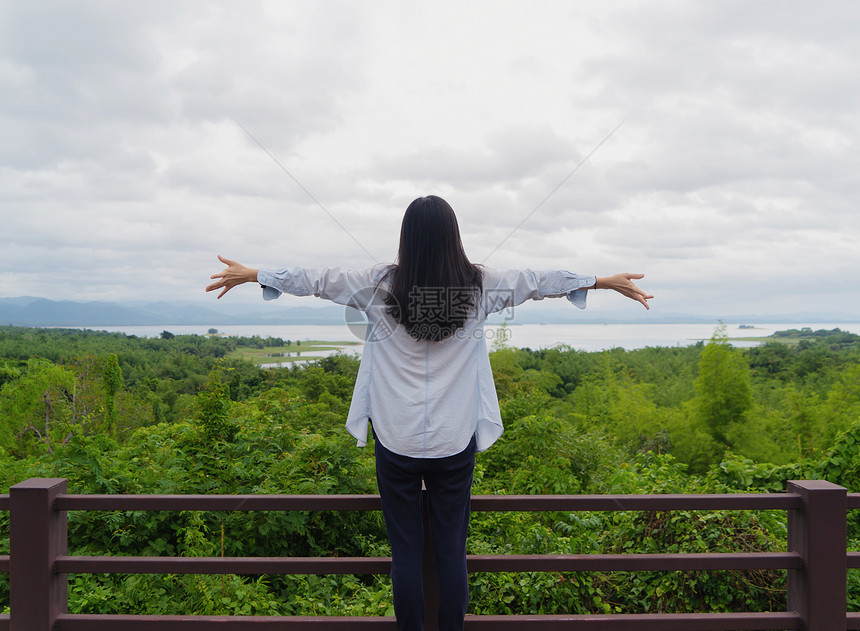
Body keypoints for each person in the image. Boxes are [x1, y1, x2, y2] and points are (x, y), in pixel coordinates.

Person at [206, 195, 651, 631]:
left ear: (406, 238)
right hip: (453, 441)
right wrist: (600, 281)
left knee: (406, 554)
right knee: (450, 553)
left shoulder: (377, 283)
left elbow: (317, 278)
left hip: (395, 439)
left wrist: (256, 274)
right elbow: (540, 279)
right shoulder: (480, 285)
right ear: (453, 237)